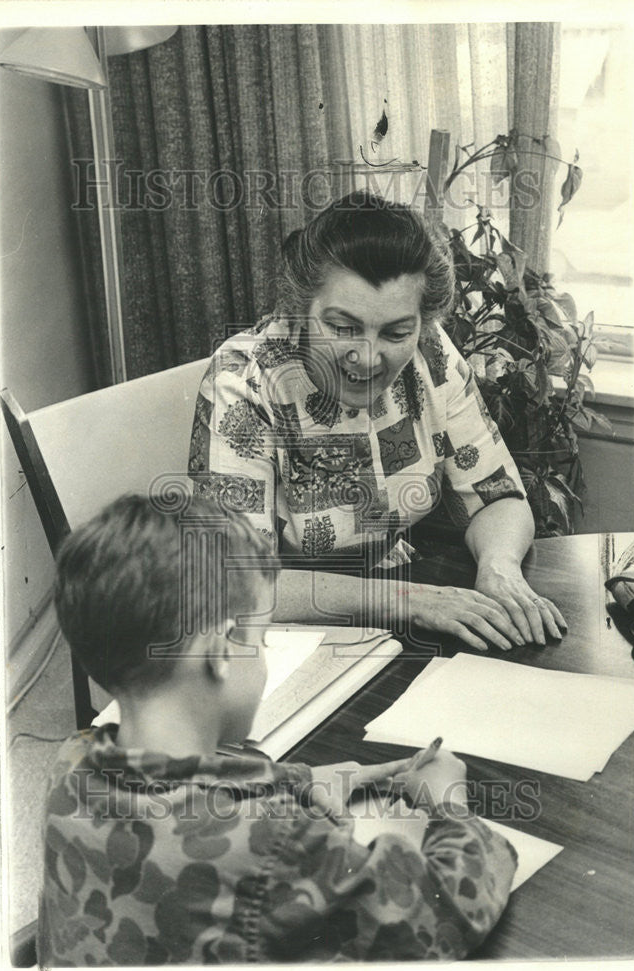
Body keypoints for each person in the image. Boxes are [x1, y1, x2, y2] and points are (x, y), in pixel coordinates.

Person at [37, 494, 517, 965]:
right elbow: (443, 915)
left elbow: (181, 781)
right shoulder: (276, 842)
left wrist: (299, 782)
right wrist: (448, 803)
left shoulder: (68, 769)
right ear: (223, 650)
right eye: (262, 638)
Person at [189, 191, 566, 652]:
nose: (367, 357)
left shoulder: (431, 350)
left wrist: (499, 568)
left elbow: (495, 495)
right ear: (298, 307)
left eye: (395, 333)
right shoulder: (242, 380)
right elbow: (234, 585)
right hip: (273, 639)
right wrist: (408, 600)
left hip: (383, 611)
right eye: (343, 327)